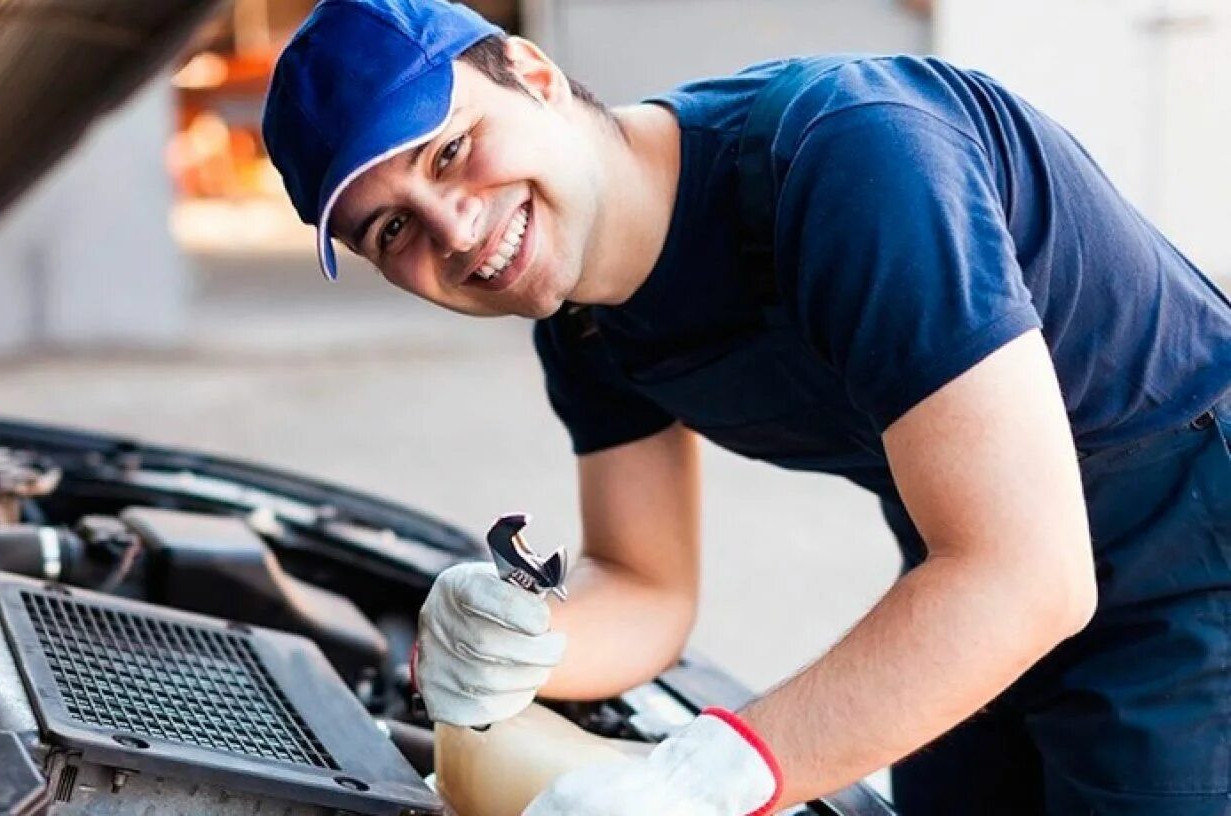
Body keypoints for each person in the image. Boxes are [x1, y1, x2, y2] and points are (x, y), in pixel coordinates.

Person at [259, 1, 1231, 813]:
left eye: (450, 152)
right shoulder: (589, 326)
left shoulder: (850, 161)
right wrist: (525, 644)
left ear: (534, 75)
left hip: (1193, 567)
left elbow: (1027, 577)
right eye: (392, 230)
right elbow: (646, 584)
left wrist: (702, 781)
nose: (456, 229)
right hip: (972, 577)